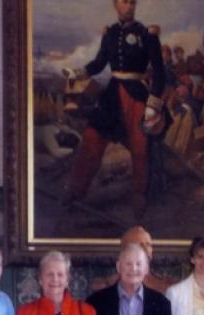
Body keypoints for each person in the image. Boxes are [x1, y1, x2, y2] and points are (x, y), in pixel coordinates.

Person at [64, 0, 167, 217]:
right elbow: (100, 63)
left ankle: (139, 195)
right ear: (115, 5)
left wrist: (153, 104)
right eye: (124, 1)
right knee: (92, 139)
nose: (129, 6)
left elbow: (159, 73)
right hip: (112, 95)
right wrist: (78, 73)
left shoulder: (147, 34)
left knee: (140, 148)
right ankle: (75, 190)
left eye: (132, 2)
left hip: (137, 94)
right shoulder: (109, 33)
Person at [92, 225, 174, 293]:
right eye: (141, 245)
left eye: (148, 245)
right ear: (125, 250)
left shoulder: (167, 285)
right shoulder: (104, 286)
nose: (146, 249)